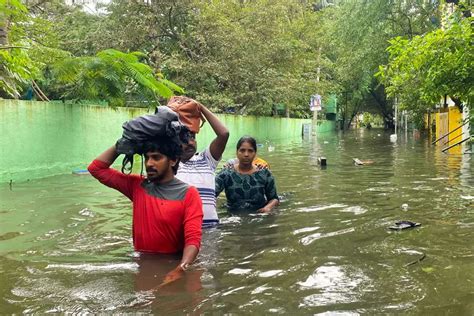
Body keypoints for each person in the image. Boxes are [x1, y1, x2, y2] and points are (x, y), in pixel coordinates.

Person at [88, 136, 203, 282]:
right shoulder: (137, 186)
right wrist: (121, 145)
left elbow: (193, 239)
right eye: (147, 158)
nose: (149, 163)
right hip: (140, 262)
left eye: (156, 158)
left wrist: (181, 268)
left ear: (173, 160)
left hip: (172, 264)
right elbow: (96, 169)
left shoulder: (189, 194)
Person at [169, 97, 229, 227]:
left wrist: (200, 107)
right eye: (185, 138)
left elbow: (224, 134)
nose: (191, 142)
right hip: (181, 233)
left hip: (210, 233)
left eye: (193, 137)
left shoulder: (207, 160)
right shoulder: (168, 164)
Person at [215, 136, 279, 213]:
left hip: (258, 215)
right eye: (242, 150)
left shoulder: (264, 173)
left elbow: (274, 199)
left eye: (250, 151)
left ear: (255, 153)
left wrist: (267, 208)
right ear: (237, 152)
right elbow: (211, 194)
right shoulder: (226, 174)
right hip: (233, 216)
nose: (246, 154)